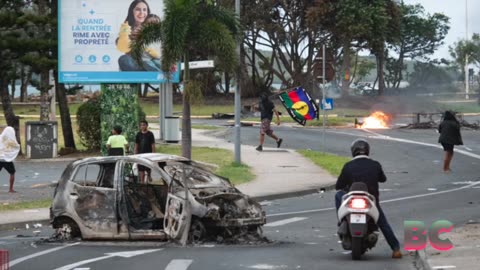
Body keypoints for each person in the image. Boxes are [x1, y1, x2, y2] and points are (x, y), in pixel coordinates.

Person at [335, 139, 402, 259]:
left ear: (353, 151)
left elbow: (338, 186)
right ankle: (396, 249)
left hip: (351, 201)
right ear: (368, 151)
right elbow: (383, 179)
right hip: (371, 201)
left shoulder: (348, 166)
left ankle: (341, 220)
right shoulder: (375, 164)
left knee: (338, 195)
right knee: (383, 223)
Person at [116, 0, 161, 71]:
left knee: (159, 61)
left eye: (144, 10)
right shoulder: (126, 28)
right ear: (132, 12)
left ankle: (153, 72)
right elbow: (123, 47)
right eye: (138, 9)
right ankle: (148, 73)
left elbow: (158, 49)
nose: (142, 13)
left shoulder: (153, 23)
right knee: (124, 59)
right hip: (137, 63)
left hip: (153, 60)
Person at [0, 126, 20, 193]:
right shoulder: (11, 140)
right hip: (7, 160)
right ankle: (11, 189)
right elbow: (15, 147)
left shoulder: (0, 137)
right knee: (12, 173)